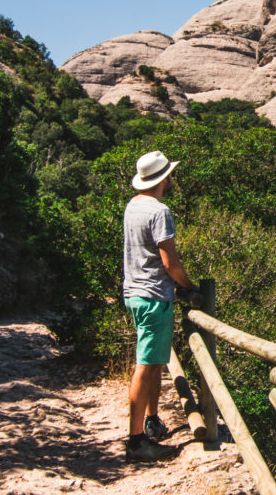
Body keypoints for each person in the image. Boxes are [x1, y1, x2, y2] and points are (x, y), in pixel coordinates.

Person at [122, 150, 199, 462]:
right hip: (154, 296)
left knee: (153, 362)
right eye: (169, 174)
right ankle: (136, 441)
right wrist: (189, 287)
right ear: (163, 178)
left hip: (134, 293)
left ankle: (152, 421)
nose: (171, 179)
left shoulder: (133, 206)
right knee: (145, 364)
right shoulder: (159, 211)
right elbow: (170, 261)